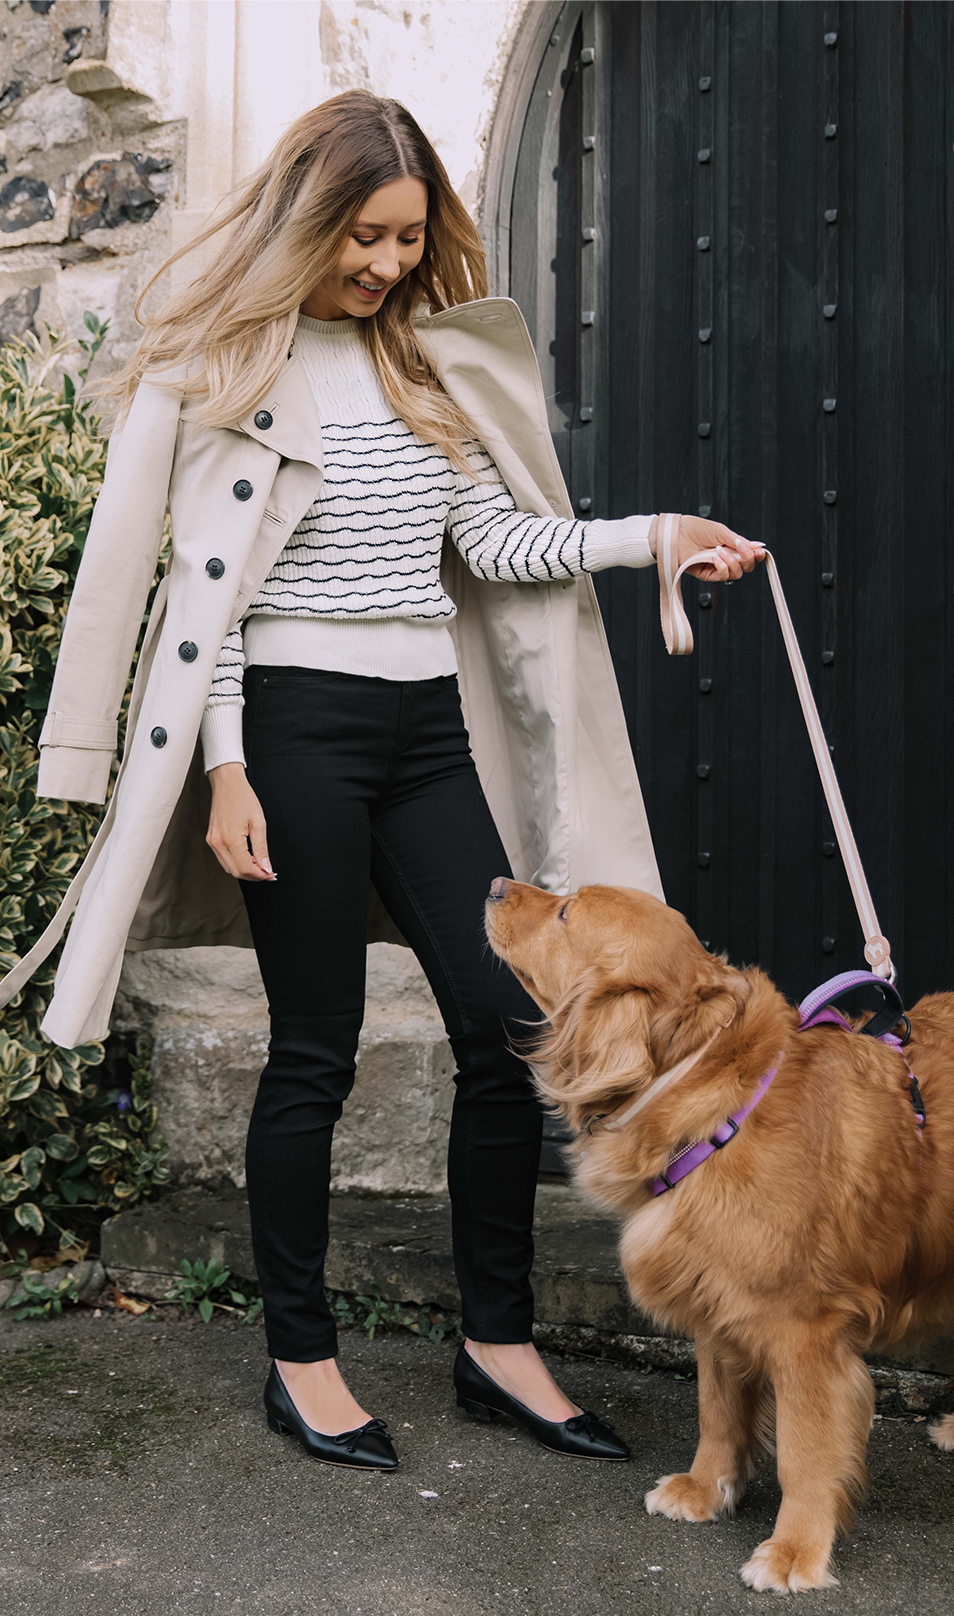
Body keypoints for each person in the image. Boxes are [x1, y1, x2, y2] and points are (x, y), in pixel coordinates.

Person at [0, 91, 761, 1471]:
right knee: (316, 1049)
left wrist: (653, 536)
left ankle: (496, 1343)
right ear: (309, 218)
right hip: (292, 731)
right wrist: (228, 770)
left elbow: (497, 543)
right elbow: (206, 598)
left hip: (423, 732)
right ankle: (301, 1354)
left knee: (497, 1031)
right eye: (366, 235)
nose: (388, 264)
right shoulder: (226, 369)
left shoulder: (423, 367)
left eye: (410, 239)